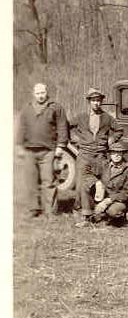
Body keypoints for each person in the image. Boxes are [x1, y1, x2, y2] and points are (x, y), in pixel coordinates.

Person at [16, 83, 69, 218]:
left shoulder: (56, 107)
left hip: (48, 151)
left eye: (43, 93)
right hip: (29, 150)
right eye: (38, 93)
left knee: (49, 181)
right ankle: (33, 209)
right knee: (31, 181)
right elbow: (22, 127)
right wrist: (19, 145)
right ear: (33, 94)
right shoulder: (27, 108)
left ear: (47, 93)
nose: (40, 95)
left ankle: (50, 210)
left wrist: (60, 146)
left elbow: (63, 127)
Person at [70, 88, 123, 211]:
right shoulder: (81, 117)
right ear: (89, 102)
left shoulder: (107, 118)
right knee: (81, 183)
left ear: (101, 102)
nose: (96, 103)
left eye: (98, 100)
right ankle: (79, 208)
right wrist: (75, 139)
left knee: (103, 182)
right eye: (93, 100)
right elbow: (67, 127)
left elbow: (119, 130)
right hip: (84, 155)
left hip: (100, 155)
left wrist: (111, 139)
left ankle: (99, 208)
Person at [75, 142, 128, 227]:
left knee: (113, 211)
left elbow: (127, 193)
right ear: (110, 154)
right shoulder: (104, 164)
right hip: (104, 194)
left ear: (123, 154)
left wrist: (107, 201)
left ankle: (117, 218)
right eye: (114, 152)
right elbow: (88, 172)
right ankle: (87, 218)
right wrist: (97, 182)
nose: (116, 155)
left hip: (120, 200)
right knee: (86, 185)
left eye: (119, 152)